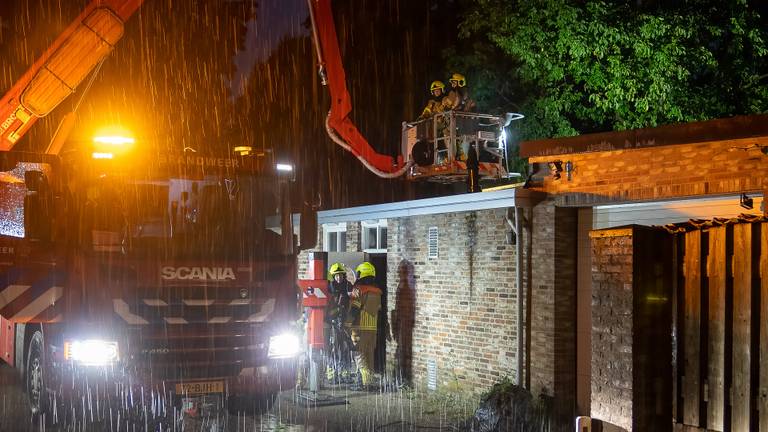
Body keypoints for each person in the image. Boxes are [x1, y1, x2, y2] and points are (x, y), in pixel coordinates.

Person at [346, 262, 382, 390]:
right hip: (372, 330)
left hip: (358, 328)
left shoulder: (359, 289)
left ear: (362, 273)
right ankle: (369, 381)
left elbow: (354, 309)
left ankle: (366, 382)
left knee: (358, 354)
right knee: (369, 355)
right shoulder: (377, 292)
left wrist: (346, 324)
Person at [325, 262, 353, 383]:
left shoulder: (348, 286)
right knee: (333, 348)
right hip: (333, 322)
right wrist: (336, 311)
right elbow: (328, 306)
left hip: (345, 322)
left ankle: (344, 372)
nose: (338, 277)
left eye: (340, 275)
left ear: (343, 275)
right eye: (336, 275)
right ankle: (332, 373)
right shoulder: (330, 287)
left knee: (345, 348)